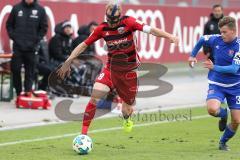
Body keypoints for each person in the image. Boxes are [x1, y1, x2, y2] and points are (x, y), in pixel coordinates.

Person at [58, 2, 178, 135]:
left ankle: (127, 119)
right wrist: (68, 61)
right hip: (110, 70)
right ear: (106, 16)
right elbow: (83, 45)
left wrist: (170, 36)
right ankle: (83, 134)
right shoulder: (102, 28)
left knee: (126, 111)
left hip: (129, 73)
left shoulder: (129, 22)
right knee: (95, 97)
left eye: (115, 20)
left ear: (120, 16)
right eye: (110, 19)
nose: (112, 23)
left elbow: (151, 30)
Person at [188, 16, 240, 151]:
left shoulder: (239, 47)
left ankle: (223, 142)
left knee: (237, 121)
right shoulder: (216, 39)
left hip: (236, 87)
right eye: (220, 32)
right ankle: (223, 114)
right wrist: (192, 55)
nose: (221, 35)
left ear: (233, 31)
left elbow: (234, 69)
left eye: (224, 32)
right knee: (211, 109)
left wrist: (214, 67)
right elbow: (201, 39)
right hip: (217, 83)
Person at [6, 0, 48, 97]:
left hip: (32, 48)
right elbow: (9, 25)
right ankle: (18, 92)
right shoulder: (16, 8)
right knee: (15, 69)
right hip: (18, 46)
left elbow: (44, 28)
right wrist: (14, 37)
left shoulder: (40, 10)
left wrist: (36, 39)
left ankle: (27, 92)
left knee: (30, 71)